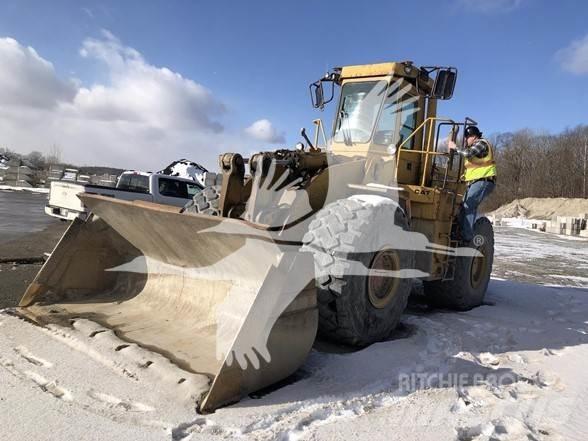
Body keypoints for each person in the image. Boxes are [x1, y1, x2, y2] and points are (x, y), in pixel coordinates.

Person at [448, 126, 497, 243]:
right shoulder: (476, 148)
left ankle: (466, 238)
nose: (465, 140)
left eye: (467, 137)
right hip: (477, 181)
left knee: (469, 205)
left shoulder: (481, 144)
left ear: (473, 136)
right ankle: (459, 232)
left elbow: (468, 153)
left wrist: (455, 147)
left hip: (484, 180)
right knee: (462, 206)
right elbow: (473, 168)